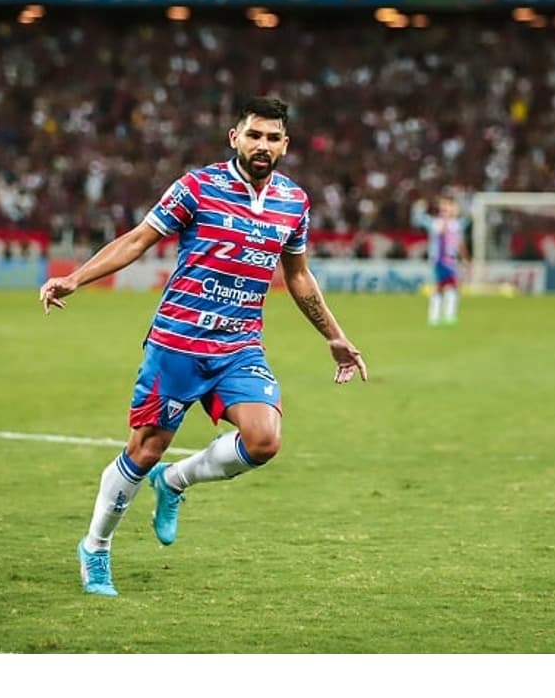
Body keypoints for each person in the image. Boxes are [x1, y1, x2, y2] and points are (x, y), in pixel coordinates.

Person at [39, 97, 368, 596]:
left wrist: (334, 335)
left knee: (264, 440)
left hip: (239, 347)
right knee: (145, 449)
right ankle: (96, 548)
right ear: (234, 137)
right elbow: (136, 241)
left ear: (285, 145)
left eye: (272, 137)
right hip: (178, 343)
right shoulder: (197, 187)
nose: (262, 145)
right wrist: (76, 279)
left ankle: (176, 482)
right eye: (254, 135)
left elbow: (297, 276)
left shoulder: (293, 203)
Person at [412, 192, 468, 326]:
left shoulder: (456, 224)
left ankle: (442, 316)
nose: (448, 209)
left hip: (451, 260)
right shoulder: (437, 223)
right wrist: (419, 208)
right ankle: (439, 316)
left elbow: (459, 242)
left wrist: (465, 257)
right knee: (444, 287)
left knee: (447, 287)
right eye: (446, 206)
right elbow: (420, 220)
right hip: (440, 260)